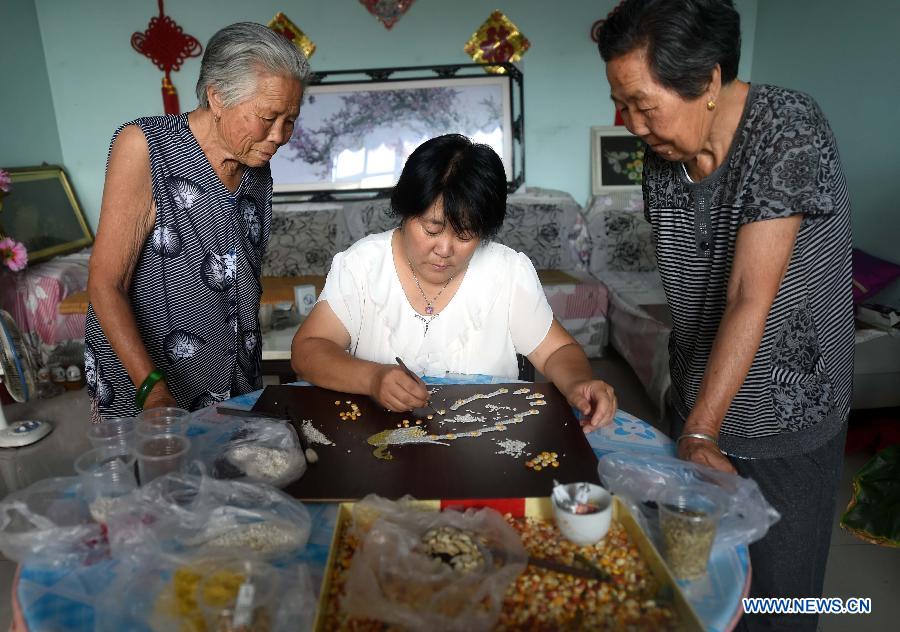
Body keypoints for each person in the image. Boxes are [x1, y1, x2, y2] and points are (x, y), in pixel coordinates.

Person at [597, 1, 853, 630]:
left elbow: (747, 294)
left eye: (640, 103)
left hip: (784, 418)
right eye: (620, 103)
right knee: (691, 585)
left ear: (708, 80)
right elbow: (696, 292)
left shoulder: (787, 127)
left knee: (779, 602)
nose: (627, 122)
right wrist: (694, 421)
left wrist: (702, 432)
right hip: (696, 405)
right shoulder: (662, 156)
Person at [291, 134, 617, 431]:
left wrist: (578, 383)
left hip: (489, 448)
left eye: (465, 234)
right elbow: (308, 351)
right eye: (432, 229)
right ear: (405, 211)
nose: (444, 250)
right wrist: (373, 378)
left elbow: (557, 351)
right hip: (375, 446)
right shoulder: (362, 266)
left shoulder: (506, 271)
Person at [85, 22, 309, 419]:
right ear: (217, 97)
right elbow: (106, 284)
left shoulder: (256, 165)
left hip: (235, 381)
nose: (279, 136)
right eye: (267, 116)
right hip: (151, 387)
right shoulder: (145, 147)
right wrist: (151, 390)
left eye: (289, 120)